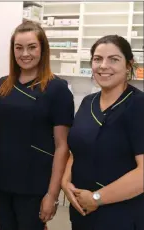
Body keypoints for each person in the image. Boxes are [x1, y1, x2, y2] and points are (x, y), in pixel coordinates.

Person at [0, 20, 75, 230]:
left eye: (31, 47)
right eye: (18, 48)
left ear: (42, 49)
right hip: (1, 182)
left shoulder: (57, 89)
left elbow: (62, 146)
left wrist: (52, 194)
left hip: (34, 184)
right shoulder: (2, 85)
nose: (24, 54)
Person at [61, 35, 144, 230]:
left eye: (113, 59)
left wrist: (97, 198)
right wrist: (65, 181)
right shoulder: (87, 102)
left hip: (121, 215)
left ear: (128, 65)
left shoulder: (138, 105)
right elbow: (77, 150)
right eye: (97, 59)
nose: (103, 66)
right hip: (83, 211)